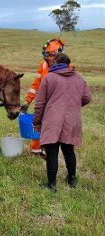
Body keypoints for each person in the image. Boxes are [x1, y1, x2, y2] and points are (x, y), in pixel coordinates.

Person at [33, 54, 91, 192]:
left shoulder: (48, 77)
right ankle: (72, 179)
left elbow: (40, 103)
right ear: (68, 64)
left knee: (52, 153)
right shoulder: (79, 78)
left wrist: (36, 121)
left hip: (52, 119)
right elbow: (87, 98)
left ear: (55, 63)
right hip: (72, 119)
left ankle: (52, 185)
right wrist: (74, 104)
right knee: (69, 151)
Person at [21, 38, 66, 155]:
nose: (50, 61)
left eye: (53, 58)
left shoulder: (67, 66)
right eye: (48, 57)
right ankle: (36, 149)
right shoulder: (43, 64)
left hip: (57, 104)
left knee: (51, 128)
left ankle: (48, 151)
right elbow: (35, 85)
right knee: (37, 123)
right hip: (43, 102)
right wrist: (27, 101)